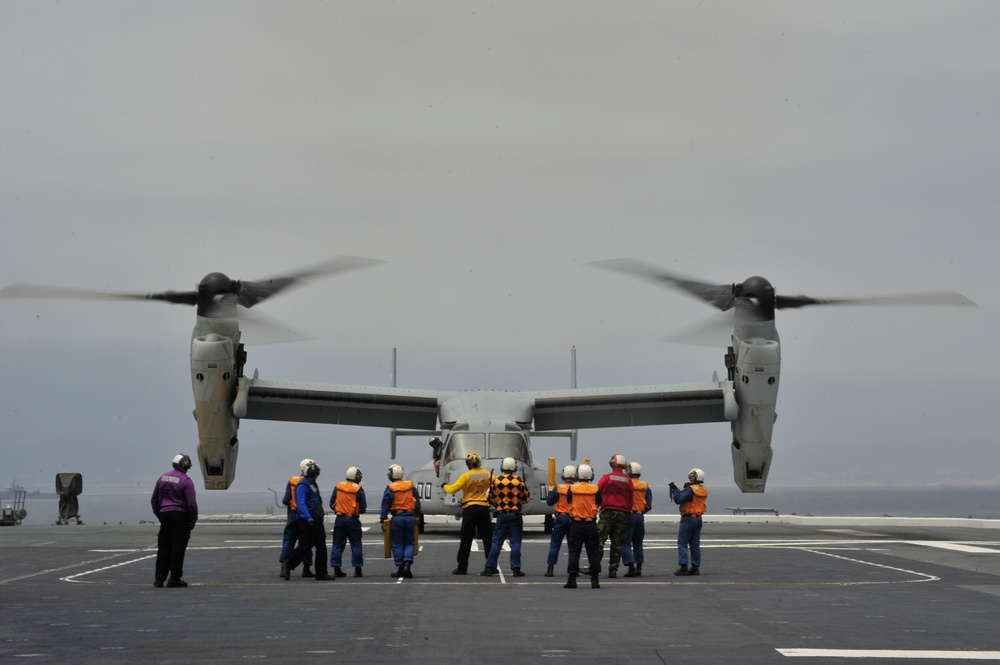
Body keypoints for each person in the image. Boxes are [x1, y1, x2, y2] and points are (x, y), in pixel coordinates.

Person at [150, 453, 199, 588]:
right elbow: (192, 504)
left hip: (165, 516)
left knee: (163, 547)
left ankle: (159, 579)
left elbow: (154, 500)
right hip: (181, 517)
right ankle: (175, 578)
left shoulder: (162, 478)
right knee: (178, 547)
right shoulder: (186, 481)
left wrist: (160, 515)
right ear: (186, 467)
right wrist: (193, 520)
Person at [282, 459, 334, 581]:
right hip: (307, 521)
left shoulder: (312, 484)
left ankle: (321, 573)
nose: (316, 476)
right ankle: (288, 565)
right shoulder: (303, 485)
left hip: (317, 520)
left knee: (321, 546)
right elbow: (301, 503)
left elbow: (315, 501)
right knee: (304, 546)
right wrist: (309, 518)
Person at [442, 452, 493, 575]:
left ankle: (462, 567)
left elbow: (453, 489)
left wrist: (444, 486)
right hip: (483, 509)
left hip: (469, 509)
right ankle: (491, 565)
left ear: (468, 464)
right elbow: (496, 485)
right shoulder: (488, 475)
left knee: (466, 539)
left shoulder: (466, 476)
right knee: (487, 538)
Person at [481, 457, 530, 577]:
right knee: (516, 542)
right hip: (515, 514)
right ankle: (516, 569)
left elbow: (491, 497)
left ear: (502, 467)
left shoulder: (497, 480)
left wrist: (499, 503)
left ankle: (489, 567)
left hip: (502, 514)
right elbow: (525, 499)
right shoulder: (519, 480)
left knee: (496, 542)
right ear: (514, 468)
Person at [564, 463, 602, 589]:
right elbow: (599, 502)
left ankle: (572, 579)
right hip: (591, 524)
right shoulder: (595, 489)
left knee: (574, 552)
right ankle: (595, 580)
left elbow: (569, 500)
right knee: (593, 552)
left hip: (577, 523)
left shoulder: (573, 489)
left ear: (577, 475)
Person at [380, 464, 421, 578]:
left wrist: (382, 519)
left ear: (390, 475)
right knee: (409, 542)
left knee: (397, 544)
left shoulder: (390, 488)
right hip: (410, 517)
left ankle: (400, 568)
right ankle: (408, 563)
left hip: (397, 518)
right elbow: (417, 502)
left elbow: (385, 505)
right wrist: (417, 515)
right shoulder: (410, 486)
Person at [597, 452, 634, 578]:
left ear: (612, 463)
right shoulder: (628, 481)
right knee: (617, 543)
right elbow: (631, 499)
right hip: (623, 514)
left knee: (600, 540)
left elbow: (597, 493)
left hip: (607, 512)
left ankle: (595, 566)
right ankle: (613, 570)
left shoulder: (605, 478)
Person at [670, 467, 708, 576]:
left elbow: (678, 500)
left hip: (688, 518)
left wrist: (674, 490)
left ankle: (683, 567)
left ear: (692, 476)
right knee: (695, 544)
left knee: (682, 543)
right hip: (698, 519)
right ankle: (695, 567)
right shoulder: (703, 489)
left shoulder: (690, 490)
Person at [329, 466, 367, 577]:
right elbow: (363, 507)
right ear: (356, 476)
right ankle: (357, 569)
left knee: (337, 544)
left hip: (340, 519)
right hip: (353, 520)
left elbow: (332, 504)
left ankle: (336, 569)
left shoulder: (338, 487)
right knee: (356, 544)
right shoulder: (358, 489)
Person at [279, 461, 314, 578]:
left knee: (289, 541)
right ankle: (306, 568)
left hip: (293, 514)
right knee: (306, 542)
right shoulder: (310, 483)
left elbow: (285, 500)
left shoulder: (292, 481)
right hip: (305, 515)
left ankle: (284, 566)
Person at [544, 464, 577, 577]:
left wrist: (550, 491)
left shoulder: (558, 488)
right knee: (573, 545)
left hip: (560, 517)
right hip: (573, 518)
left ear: (563, 475)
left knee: (555, 543)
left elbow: (549, 502)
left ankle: (550, 568)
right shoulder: (576, 489)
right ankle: (573, 569)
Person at [621, 461, 652, 578]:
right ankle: (639, 568)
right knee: (638, 543)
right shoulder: (645, 486)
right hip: (640, 516)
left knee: (626, 542)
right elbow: (649, 505)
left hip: (629, 515)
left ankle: (630, 567)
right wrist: (640, 511)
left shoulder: (626, 484)